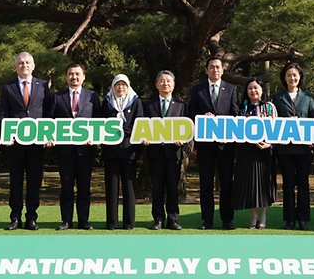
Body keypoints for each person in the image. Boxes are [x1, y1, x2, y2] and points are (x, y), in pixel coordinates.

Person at [0, 51, 53, 231]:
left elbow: (48, 112)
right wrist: (7, 135)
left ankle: (31, 217)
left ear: (33, 65)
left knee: (34, 181)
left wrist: (49, 135)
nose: (24, 65)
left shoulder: (43, 86)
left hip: (36, 143)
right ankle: (15, 217)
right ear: (15, 67)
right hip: (15, 144)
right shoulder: (8, 87)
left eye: (27, 62)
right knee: (15, 181)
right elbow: (4, 113)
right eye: (20, 63)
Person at [187, 56, 240, 229]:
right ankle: (207, 219)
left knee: (226, 183)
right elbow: (191, 112)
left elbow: (235, 114)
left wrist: (228, 132)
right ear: (206, 70)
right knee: (206, 183)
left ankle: (227, 219)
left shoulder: (231, 89)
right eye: (212, 67)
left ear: (223, 70)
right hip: (205, 146)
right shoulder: (198, 89)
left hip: (225, 144)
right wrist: (202, 117)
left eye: (218, 67)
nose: (215, 70)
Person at [51, 62, 101, 230]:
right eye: (71, 74)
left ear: (83, 77)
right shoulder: (57, 97)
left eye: (77, 74)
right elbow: (50, 122)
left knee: (84, 187)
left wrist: (94, 138)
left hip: (85, 150)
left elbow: (98, 121)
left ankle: (83, 221)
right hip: (65, 150)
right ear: (66, 77)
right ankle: (66, 221)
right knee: (66, 187)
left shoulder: (92, 96)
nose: (74, 77)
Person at [271, 61, 314, 230]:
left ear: (300, 77)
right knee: (288, 184)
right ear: (284, 77)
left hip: (304, 148)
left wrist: (313, 139)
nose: (292, 78)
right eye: (289, 75)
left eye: (295, 75)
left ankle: (303, 219)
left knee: (303, 183)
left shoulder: (309, 98)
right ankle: (289, 219)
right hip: (285, 149)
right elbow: (273, 122)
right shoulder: (277, 97)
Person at [143, 70, 185, 230]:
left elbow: (188, 129)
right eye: (162, 80)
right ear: (156, 85)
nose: (165, 83)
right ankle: (158, 219)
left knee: (173, 188)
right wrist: (144, 139)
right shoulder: (148, 105)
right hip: (155, 153)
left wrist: (183, 141)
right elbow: (143, 127)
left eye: (168, 81)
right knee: (157, 187)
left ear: (173, 85)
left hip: (173, 152)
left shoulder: (181, 106)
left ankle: (173, 219)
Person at [233, 78, 276, 229]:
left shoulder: (269, 107)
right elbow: (236, 130)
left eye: (256, 88)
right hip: (247, 151)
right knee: (251, 185)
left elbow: (276, 129)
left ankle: (263, 215)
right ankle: (253, 216)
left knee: (263, 184)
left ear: (262, 90)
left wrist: (269, 143)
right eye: (250, 88)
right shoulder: (241, 108)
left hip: (264, 152)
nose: (253, 91)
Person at [102, 74, 143, 230]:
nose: (120, 87)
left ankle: (129, 223)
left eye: (123, 85)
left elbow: (139, 124)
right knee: (111, 189)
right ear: (113, 86)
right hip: (111, 151)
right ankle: (111, 223)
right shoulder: (106, 102)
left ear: (128, 87)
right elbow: (101, 124)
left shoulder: (136, 102)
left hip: (129, 150)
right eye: (117, 85)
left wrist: (122, 132)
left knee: (129, 188)